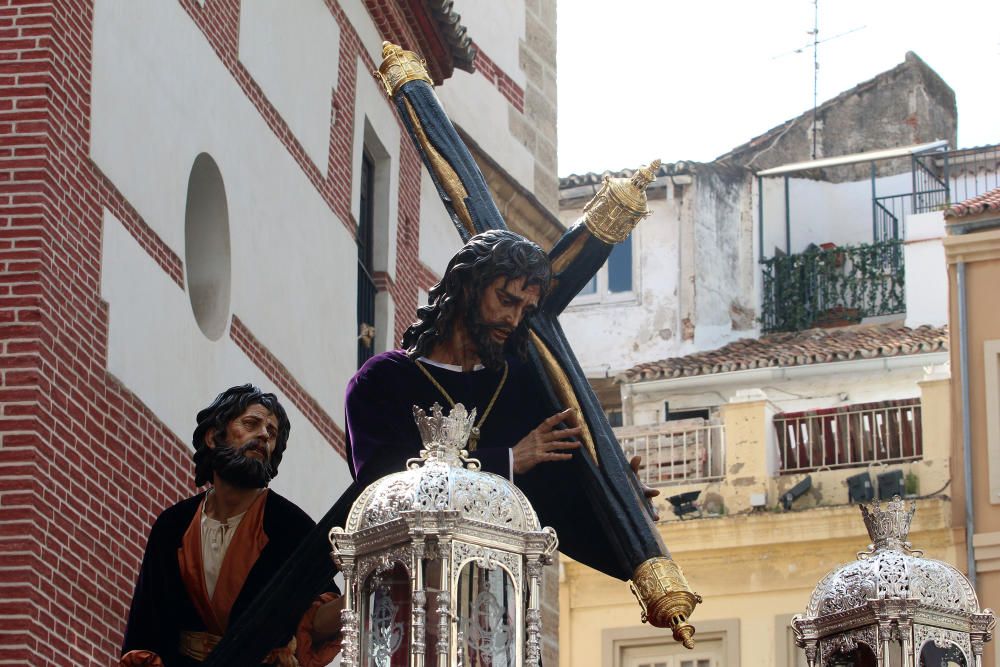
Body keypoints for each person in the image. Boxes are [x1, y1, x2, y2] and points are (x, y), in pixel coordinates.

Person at [346, 230, 657, 575]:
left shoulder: (522, 386)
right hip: (411, 586)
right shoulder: (384, 380)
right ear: (466, 286)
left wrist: (619, 501)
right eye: (506, 300)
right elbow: (383, 486)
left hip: (498, 601)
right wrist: (508, 460)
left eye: (526, 310)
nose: (513, 319)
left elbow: (562, 496)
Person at [120, 384, 343, 667]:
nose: (263, 435)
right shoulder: (173, 525)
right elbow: (146, 625)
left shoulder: (292, 526)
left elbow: (314, 624)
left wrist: (364, 588)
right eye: (251, 423)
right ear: (214, 437)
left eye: (272, 433)